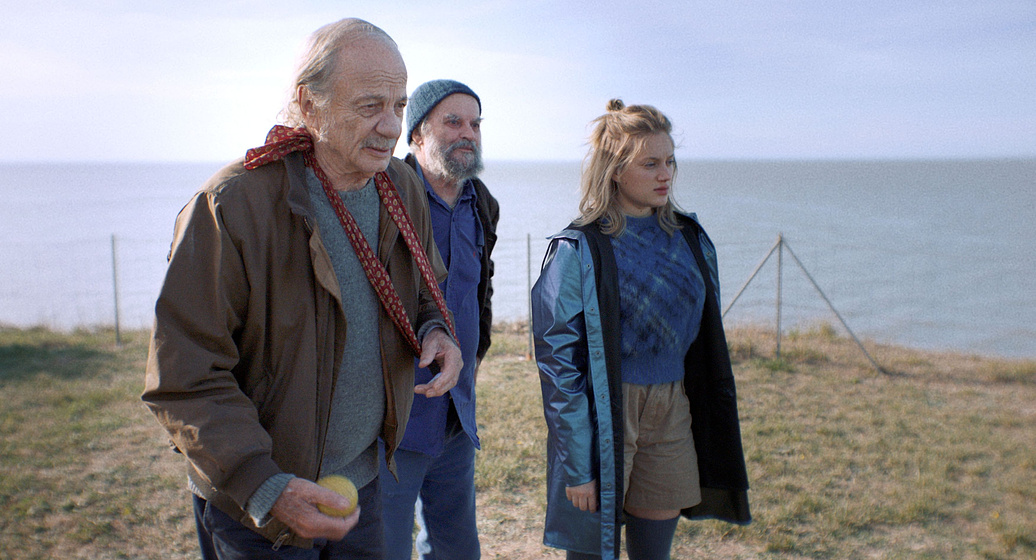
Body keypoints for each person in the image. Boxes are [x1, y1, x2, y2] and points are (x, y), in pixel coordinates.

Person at [141, 18, 463, 560]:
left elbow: (427, 285)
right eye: (369, 106)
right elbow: (184, 377)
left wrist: (436, 330)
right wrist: (265, 486)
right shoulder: (232, 206)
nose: (390, 127)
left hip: (361, 484)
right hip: (256, 506)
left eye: (399, 106)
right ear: (307, 104)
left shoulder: (401, 186)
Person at [531, 99, 751, 560]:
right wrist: (577, 464)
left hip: (672, 410)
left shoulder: (690, 239)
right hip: (604, 415)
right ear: (614, 169)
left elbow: (701, 337)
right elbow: (558, 367)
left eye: (669, 161)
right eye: (649, 163)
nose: (664, 174)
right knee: (593, 551)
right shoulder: (578, 249)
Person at [378, 79, 499, 559]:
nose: (467, 133)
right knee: (383, 549)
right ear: (416, 137)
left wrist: (475, 358)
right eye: (452, 121)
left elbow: (479, 295)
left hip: (455, 417)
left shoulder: (481, 204)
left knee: (456, 550)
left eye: (475, 123)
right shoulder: (383, 198)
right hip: (392, 422)